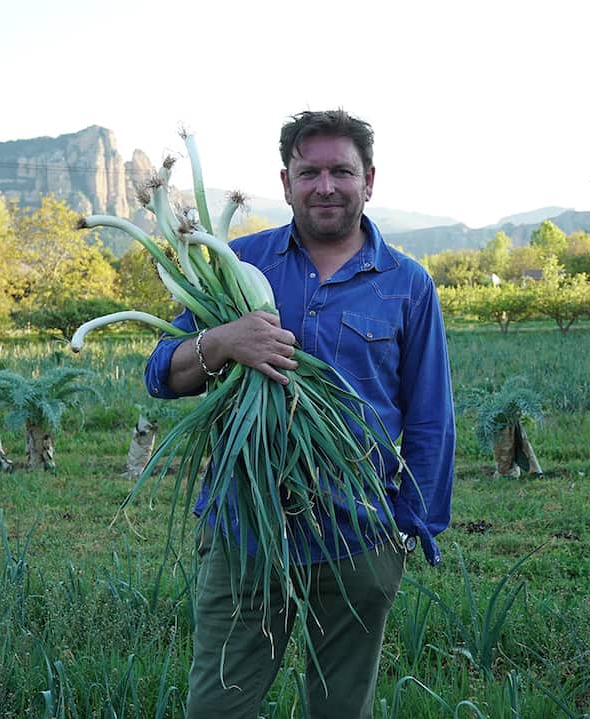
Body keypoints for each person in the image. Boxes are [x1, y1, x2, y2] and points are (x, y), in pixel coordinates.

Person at [144, 109, 455, 718]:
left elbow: (429, 418)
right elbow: (161, 372)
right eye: (308, 171)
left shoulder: (407, 284)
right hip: (244, 534)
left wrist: (412, 528)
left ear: (369, 178)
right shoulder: (235, 264)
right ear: (285, 183)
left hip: (358, 535)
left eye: (341, 170)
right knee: (216, 710)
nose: (325, 185)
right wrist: (224, 342)